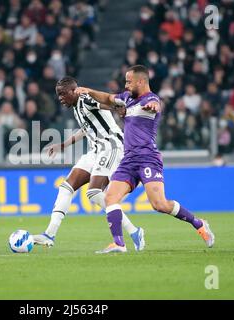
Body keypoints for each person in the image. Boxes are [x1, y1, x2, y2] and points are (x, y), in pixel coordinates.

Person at [75, 65, 215, 254]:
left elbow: (156, 104)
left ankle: (198, 223)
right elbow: (108, 98)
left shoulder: (150, 99)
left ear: (141, 81)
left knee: (160, 204)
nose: (126, 85)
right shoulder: (126, 99)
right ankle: (119, 243)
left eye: (128, 81)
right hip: (128, 160)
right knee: (110, 197)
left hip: (148, 158)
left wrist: (154, 107)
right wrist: (89, 91)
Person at [33, 76, 145, 251]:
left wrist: (119, 108)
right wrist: (63, 145)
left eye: (63, 94)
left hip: (110, 146)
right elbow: (86, 128)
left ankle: (129, 234)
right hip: (95, 150)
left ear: (74, 91)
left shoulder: (86, 99)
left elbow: (105, 105)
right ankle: (49, 234)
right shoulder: (76, 106)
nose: (61, 98)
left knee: (93, 192)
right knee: (66, 187)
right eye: (58, 95)